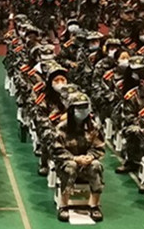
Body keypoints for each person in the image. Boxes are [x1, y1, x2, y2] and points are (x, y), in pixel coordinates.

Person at [53, 91, 104, 222]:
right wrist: (75, 158)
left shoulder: (93, 127)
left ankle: (95, 206)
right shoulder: (62, 128)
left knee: (96, 165)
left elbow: (99, 147)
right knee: (71, 166)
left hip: (86, 163)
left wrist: (90, 157)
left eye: (85, 107)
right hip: (66, 163)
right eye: (79, 108)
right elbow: (56, 150)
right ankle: (63, 205)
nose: (82, 111)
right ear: (71, 110)